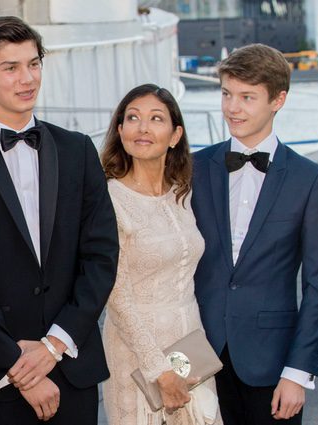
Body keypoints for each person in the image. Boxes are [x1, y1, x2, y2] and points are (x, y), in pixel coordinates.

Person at [0, 16, 119, 424]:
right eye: (10, 68)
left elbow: (101, 256)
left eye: (34, 64)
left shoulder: (78, 150)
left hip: (72, 365)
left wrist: (54, 345)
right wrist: (20, 367)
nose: (27, 78)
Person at [192, 43, 318, 425]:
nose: (232, 108)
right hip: (196, 360)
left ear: (278, 100)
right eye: (226, 94)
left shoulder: (310, 180)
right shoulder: (194, 167)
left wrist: (297, 373)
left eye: (247, 97)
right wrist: (175, 365)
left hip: (272, 365)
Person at [100, 83, 221, 425]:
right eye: (133, 118)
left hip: (191, 347)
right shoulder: (110, 198)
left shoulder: (182, 193)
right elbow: (116, 294)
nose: (143, 128)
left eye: (156, 118)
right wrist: (160, 370)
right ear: (120, 130)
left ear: (174, 134)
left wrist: (183, 363)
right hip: (137, 352)